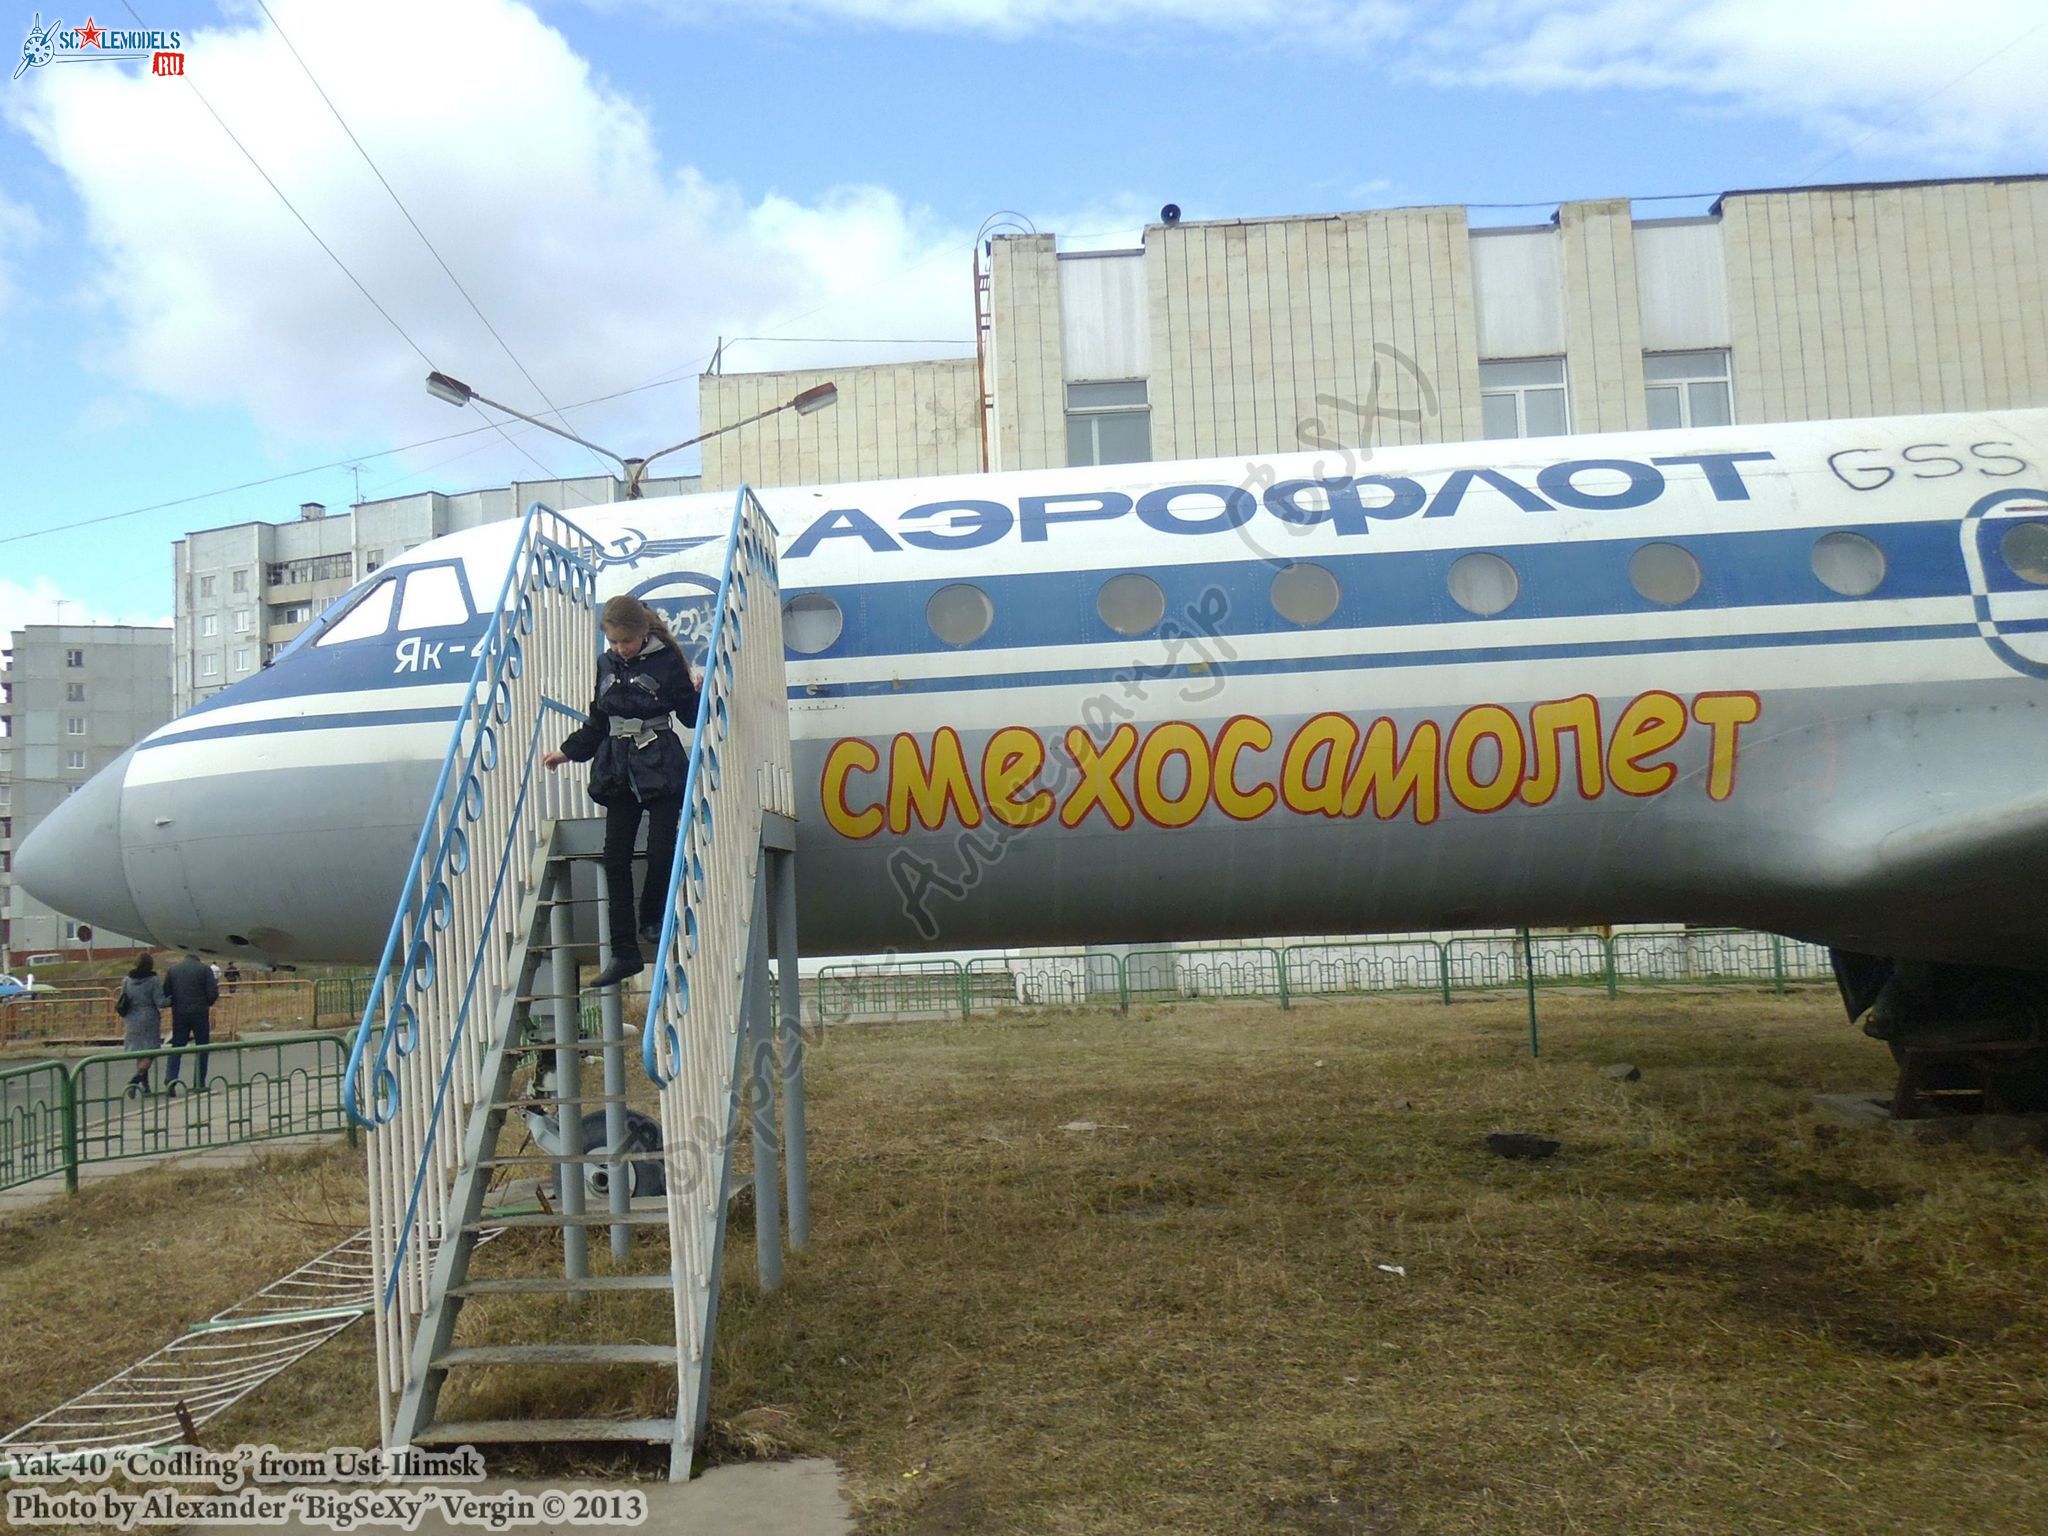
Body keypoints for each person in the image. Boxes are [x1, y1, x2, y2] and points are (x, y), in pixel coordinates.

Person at [542, 595, 700, 989]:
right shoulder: (606, 664)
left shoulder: (667, 661)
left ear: (642, 633)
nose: (619, 649)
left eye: (625, 642)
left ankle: (652, 919)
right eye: (613, 643)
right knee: (616, 858)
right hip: (618, 767)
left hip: (660, 763)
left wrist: (699, 691)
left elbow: (688, 715)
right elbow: (599, 720)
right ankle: (624, 951)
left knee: (662, 846)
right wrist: (566, 752)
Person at [162, 948, 220, 1094]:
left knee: (177, 1047)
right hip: (200, 1013)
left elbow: (166, 992)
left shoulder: (173, 970)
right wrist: (206, 1003)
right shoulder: (205, 970)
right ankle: (199, 1083)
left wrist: (175, 1003)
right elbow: (212, 993)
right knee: (202, 1048)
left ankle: (171, 1079)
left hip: (180, 1013)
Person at [115, 953, 169, 1097]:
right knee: (150, 1052)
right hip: (149, 1017)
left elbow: (123, 997)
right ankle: (135, 1080)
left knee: (139, 1052)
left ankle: (146, 1087)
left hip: (131, 1018)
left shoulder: (127, 979)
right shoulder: (153, 980)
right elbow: (160, 1002)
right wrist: (171, 999)